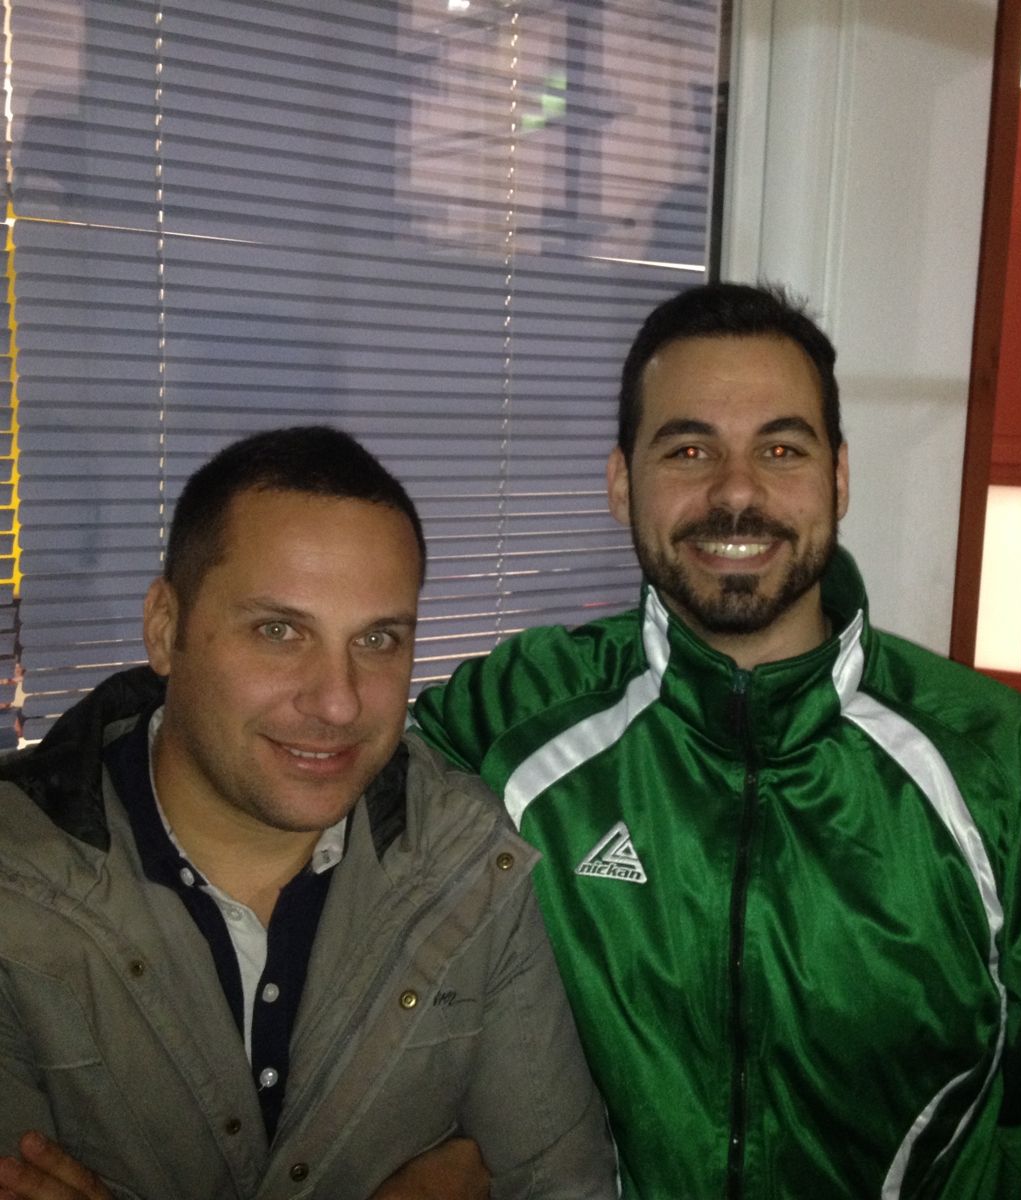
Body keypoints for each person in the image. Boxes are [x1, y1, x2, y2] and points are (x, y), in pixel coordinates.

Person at [412, 282, 1021, 1198]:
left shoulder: (998, 765)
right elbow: (324, 816)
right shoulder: (514, 716)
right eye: (688, 449)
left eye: (781, 449)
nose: (737, 492)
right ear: (621, 484)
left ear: (838, 478)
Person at [0, 426, 615, 1200]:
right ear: (166, 628)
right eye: (279, 631)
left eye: (378, 639)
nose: (338, 702)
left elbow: (562, 1184)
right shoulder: (17, 885)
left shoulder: (467, 864)